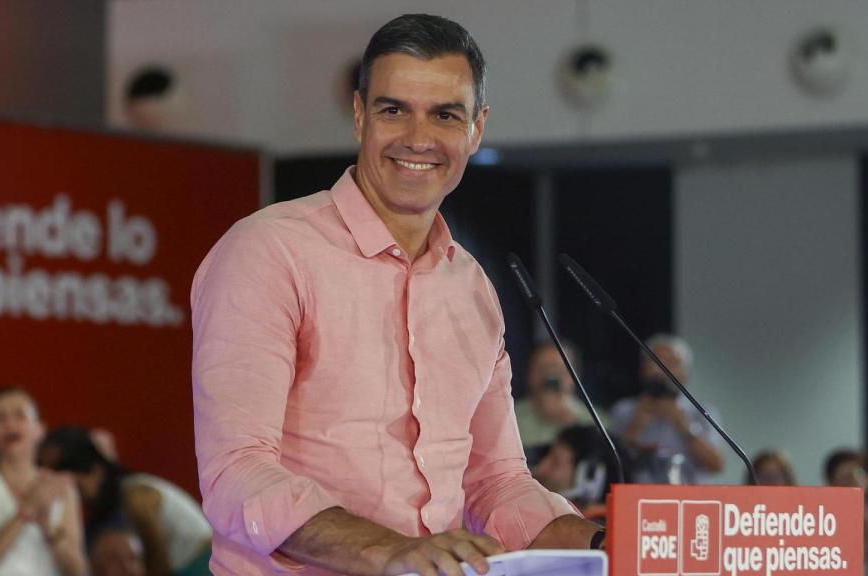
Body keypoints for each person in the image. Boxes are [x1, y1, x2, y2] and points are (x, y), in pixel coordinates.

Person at [191, 13, 603, 576]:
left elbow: (496, 482)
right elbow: (236, 473)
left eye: (445, 115)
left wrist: (608, 546)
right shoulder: (268, 252)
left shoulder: (472, 287)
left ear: (476, 129)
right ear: (360, 115)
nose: (418, 139)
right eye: (393, 110)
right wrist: (390, 552)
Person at [39, 426, 212, 576]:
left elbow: (157, 559)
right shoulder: (121, 499)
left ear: (96, 470)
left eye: (77, 485)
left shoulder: (135, 496)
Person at [0, 387, 87, 576]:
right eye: (0, 418)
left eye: (20, 416)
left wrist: (50, 530)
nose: (10, 424)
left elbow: (78, 570)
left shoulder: (61, 486)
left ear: (40, 429)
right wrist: (25, 511)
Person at [610, 334, 725, 484]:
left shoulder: (701, 412)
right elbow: (609, 464)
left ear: (684, 373)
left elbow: (716, 465)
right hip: (637, 501)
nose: (660, 370)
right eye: (655, 362)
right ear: (643, 369)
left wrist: (685, 426)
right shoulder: (623, 411)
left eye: (671, 363)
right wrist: (635, 427)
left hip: (689, 501)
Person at [512, 340, 597, 454]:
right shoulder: (509, 417)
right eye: (543, 368)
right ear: (529, 373)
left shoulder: (595, 422)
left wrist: (574, 429)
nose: (550, 376)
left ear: (575, 374)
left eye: (558, 369)